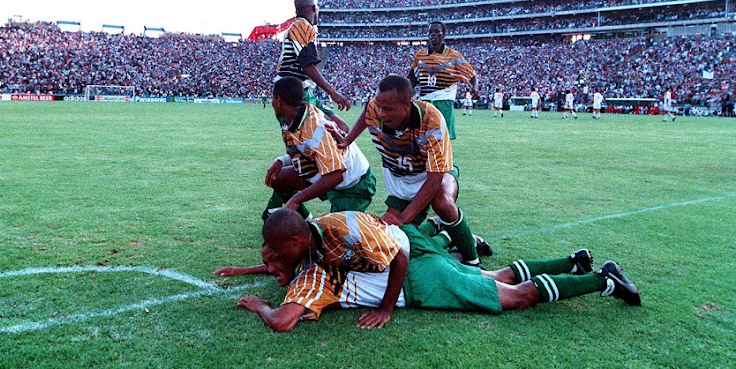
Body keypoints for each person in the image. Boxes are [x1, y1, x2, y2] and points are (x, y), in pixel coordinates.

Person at [232, 209, 641, 332]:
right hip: (418, 264)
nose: (271, 268)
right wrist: (252, 268)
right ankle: (574, 260)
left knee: (517, 298)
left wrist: (259, 307)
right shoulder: (311, 243)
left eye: (273, 260)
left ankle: (603, 279)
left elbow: (284, 321)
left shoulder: (312, 275)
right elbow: (281, 261)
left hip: (415, 276)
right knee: (495, 279)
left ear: (293, 249)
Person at [342, 74, 484, 267]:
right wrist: (348, 138)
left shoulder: (432, 120)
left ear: (407, 105)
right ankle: (444, 235)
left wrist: (402, 217)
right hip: (401, 181)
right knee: (398, 240)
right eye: (380, 107)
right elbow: (369, 109)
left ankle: (472, 258)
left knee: (442, 203)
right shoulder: (376, 107)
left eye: (388, 109)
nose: (381, 113)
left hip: (432, 174)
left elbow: (435, 179)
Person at [262, 77, 376, 221]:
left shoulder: (315, 126)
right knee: (278, 178)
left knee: (335, 234)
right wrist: (281, 161)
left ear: (278, 100)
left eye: (273, 98)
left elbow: (335, 175)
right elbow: (304, 149)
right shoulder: (294, 116)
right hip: (323, 171)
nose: (271, 103)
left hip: (352, 183)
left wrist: (296, 199)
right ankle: (305, 219)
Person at [277, 0, 351, 132]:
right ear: (314, 8)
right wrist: (332, 92)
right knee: (324, 136)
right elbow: (307, 65)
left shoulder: (298, 27)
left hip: (303, 92)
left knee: (342, 128)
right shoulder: (302, 26)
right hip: (294, 94)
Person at [408, 21, 478, 139]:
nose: (433, 34)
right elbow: (412, 77)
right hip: (424, 101)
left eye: (436, 31)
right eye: (430, 32)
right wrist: (405, 92)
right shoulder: (420, 54)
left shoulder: (453, 55)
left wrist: (475, 88)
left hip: (444, 101)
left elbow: (472, 75)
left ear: (443, 34)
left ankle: (446, 158)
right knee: (422, 137)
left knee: (442, 137)